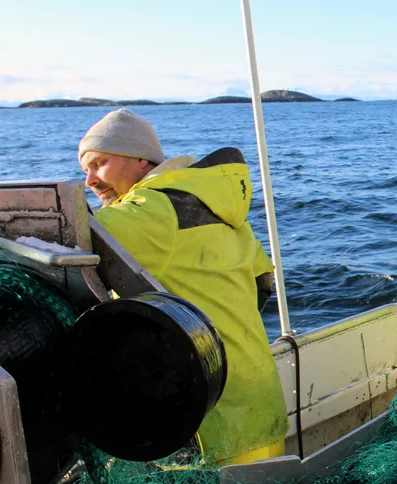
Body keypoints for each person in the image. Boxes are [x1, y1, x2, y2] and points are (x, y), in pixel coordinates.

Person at [78, 108, 288, 465]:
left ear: (139, 158)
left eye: (99, 163)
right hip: (258, 400)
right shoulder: (219, 207)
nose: (89, 181)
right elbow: (262, 286)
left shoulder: (151, 210)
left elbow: (72, 234)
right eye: (85, 170)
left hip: (210, 417)